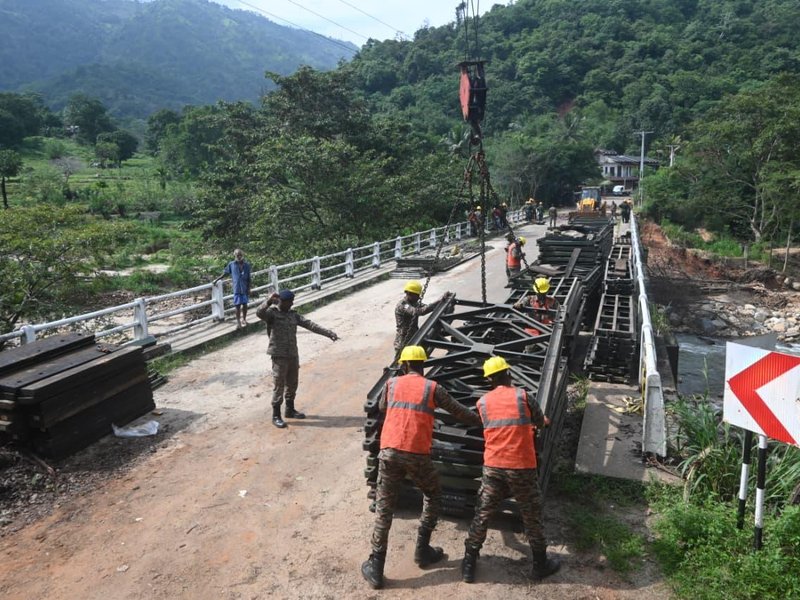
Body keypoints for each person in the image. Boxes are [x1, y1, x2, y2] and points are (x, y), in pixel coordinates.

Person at [362, 346, 482, 589]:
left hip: (390, 453)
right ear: (423, 366)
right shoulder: (433, 388)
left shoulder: (392, 384)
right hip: (417, 455)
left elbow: (383, 408)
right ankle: (422, 550)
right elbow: (459, 412)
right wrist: (485, 420)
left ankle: (376, 568)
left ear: (405, 365)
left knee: (385, 508)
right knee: (433, 495)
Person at [461, 356, 560, 583]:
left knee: (483, 515)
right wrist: (544, 421)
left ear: (489, 381)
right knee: (531, 515)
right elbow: (539, 419)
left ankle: (468, 564)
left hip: (494, 466)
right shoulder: (523, 396)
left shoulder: (482, 403)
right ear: (509, 374)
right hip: (521, 466)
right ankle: (540, 564)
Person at [256, 289, 339, 429]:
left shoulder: (293, 316)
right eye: (290, 302)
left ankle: (290, 409)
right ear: (282, 301)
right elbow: (259, 313)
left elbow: (311, 325)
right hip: (279, 355)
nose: (292, 304)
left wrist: (328, 333)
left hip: (293, 354)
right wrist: (269, 300)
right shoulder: (272, 314)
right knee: (279, 385)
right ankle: (276, 415)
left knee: (292, 383)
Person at [394, 281, 451, 354]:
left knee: (420, 356)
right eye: (417, 295)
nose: (419, 297)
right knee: (402, 361)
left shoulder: (414, 303)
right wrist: (438, 301)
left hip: (414, 335)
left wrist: (440, 301)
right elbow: (419, 312)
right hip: (404, 340)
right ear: (409, 293)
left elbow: (426, 307)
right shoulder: (403, 305)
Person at [214, 249, 252, 328]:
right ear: (235, 256)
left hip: (244, 288)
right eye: (237, 255)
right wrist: (217, 279)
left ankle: (244, 319)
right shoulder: (232, 264)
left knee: (245, 305)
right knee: (237, 306)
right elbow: (225, 273)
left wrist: (249, 288)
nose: (239, 257)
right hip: (237, 288)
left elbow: (249, 278)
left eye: (240, 255)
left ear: (242, 255)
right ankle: (238, 322)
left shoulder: (247, 265)